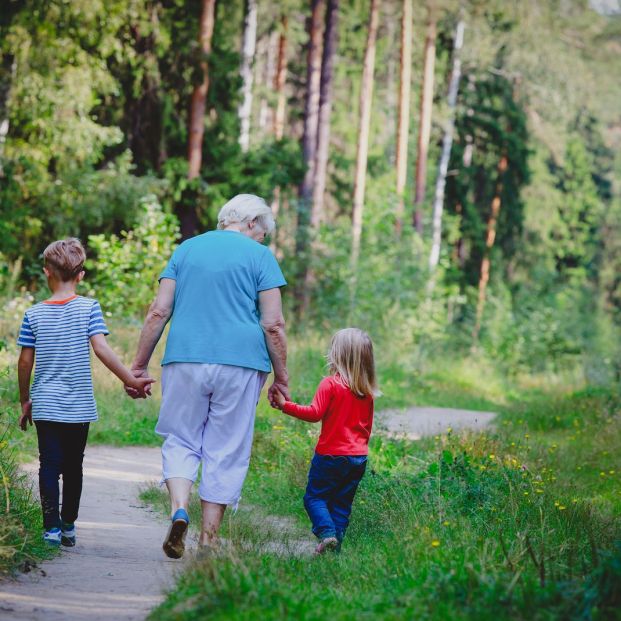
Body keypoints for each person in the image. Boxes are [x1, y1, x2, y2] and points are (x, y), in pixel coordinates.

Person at [125, 194, 289, 559]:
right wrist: (282, 378)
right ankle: (208, 541)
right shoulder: (260, 257)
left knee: (181, 439)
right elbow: (273, 324)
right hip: (241, 363)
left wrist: (138, 366)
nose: (262, 239)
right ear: (250, 223)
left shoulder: (186, 250)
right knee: (226, 448)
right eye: (263, 232)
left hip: (185, 357)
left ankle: (180, 509)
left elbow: (158, 311)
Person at [16, 238, 155, 547]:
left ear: (46, 272)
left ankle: (50, 528)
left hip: (46, 405)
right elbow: (102, 349)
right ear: (80, 275)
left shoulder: (33, 314)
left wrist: (25, 399)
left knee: (48, 465)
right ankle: (68, 526)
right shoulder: (89, 308)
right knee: (73, 466)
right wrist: (131, 380)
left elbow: (25, 361)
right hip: (77, 405)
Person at [271, 328, 377, 554]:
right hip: (358, 458)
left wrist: (284, 405)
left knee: (314, 498)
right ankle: (333, 552)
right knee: (341, 505)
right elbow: (367, 427)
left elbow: (314, 413)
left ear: (337, 355)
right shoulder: (367, 392)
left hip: (330, 455)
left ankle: (327, 534)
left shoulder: (330, 384)